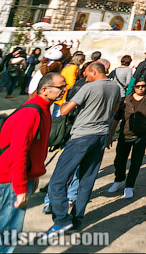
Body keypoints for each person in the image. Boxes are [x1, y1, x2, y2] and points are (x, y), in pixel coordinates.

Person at [0, 72, 62, 254]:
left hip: (19, 178)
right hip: (11, 181)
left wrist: (35, 175)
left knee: (8, 233)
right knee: (6, 233)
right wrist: (20, 187)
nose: (64, 90)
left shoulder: (44, 108)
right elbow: (18, 152)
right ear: (45, 89)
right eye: (61, 87)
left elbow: (34, 149)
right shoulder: (31, 112)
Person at [46, 61, 121, 233]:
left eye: (87, 75)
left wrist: (63, 100)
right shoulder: (115, 87)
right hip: (101, 135)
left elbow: (65, 111)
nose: (85, 79)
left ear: (94, 72)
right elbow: (116, 109)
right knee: (87, 180)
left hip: (81, 137)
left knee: (58, 180)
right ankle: (77, 219)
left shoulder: (88, 88)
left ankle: (61, 219)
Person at [107, 78, 146, 199]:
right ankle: (119, 179)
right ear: (134, 87)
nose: (141, 88)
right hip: (124, 134)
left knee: (136, 162)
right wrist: (110, 134)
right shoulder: (126, 100)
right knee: (119, 160)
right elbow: (117, 117)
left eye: (143, 86)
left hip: (141, 135)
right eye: (138, 86)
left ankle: (130, 185)